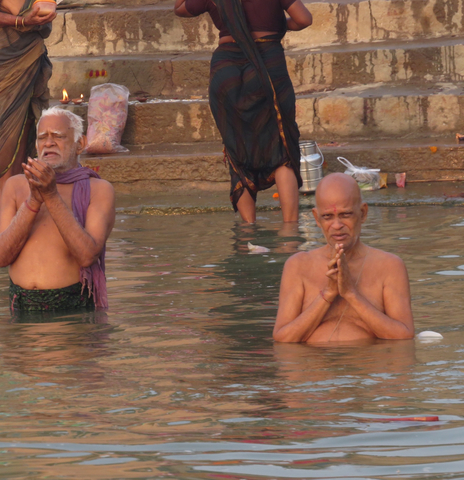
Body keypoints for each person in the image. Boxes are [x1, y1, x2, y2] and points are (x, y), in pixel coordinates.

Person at [174, 0, 312, 224]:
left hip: (225, 71)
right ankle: (289, 229)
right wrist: (278, 23)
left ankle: (248, 230)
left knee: (237, 150)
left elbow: (179, 8)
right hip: (267, 62)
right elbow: (304, 19)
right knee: (281, 147)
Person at [0, 107, 116, 312]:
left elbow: (87, 255)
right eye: (42, 138)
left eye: (57, 136)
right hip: (20, 308)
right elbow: (0, 257)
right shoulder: (15, 186)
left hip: (72, 309)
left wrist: (51, 196)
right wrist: (33, 201)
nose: (48, 143)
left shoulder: (99, 190)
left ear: (80, 144)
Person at [273, 173, 414, 343]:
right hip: (312, 365)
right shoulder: (298, 265)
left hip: (368, 363)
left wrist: (351, 293)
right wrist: (328, 293)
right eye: (327, 217)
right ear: (317, 218)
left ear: (363, 213)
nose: (337, 226)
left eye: (345, 215)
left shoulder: (389, 266)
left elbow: (403, 336)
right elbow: (283, 339)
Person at [0, 0, 57, 207]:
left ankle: (21, 184)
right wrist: (22, 21)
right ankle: (5, 194)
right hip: (2, 51)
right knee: (11, 119)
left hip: (28, 47)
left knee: (28, 117)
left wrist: (38, 19)